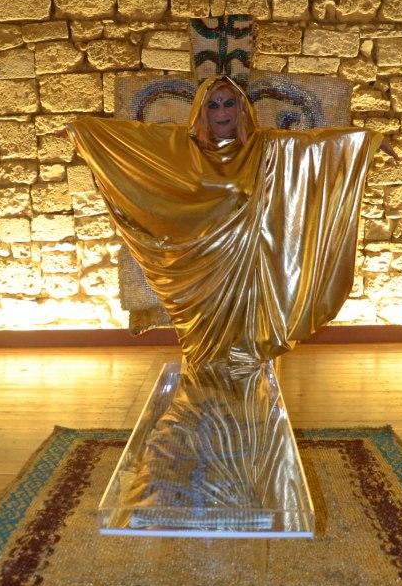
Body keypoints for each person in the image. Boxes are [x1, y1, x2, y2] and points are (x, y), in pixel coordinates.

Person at [66, 75, 385, 370]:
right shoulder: (180, 147)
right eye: (213, 105)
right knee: (204, 357)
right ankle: (205, 399)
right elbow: (132, 141)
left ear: (241, 109)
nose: (222, 112)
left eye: (229, 103)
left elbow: (313, 147)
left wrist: (363, 142)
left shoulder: (263, 147)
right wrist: (81, 132)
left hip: (244, 270)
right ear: (201, 111)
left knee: (245, 355)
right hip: (199, 272)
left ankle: (249, 400)